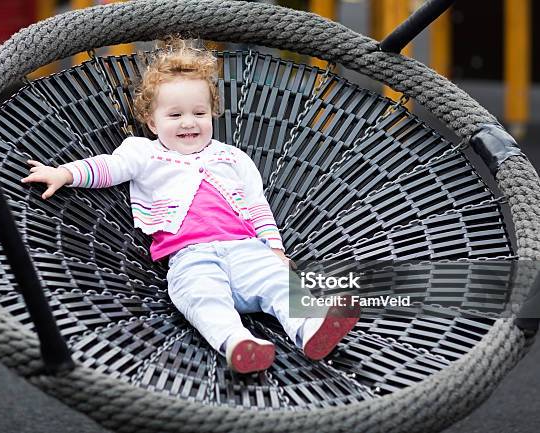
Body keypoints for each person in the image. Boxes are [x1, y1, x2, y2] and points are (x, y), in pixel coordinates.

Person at [21, 37, 358, 374]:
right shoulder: (145, 152)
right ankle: (237, 342)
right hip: (191, 255)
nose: (189, 122)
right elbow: (109, 168)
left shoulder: (231, 157)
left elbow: (257, 206)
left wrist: (274, 248)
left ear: (211, 114)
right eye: (175, 115)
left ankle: (311, 329)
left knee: (282, 283)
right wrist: (65, 173)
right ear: (153, 123)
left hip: (246, 249)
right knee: (200, 297)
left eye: (199, 113)